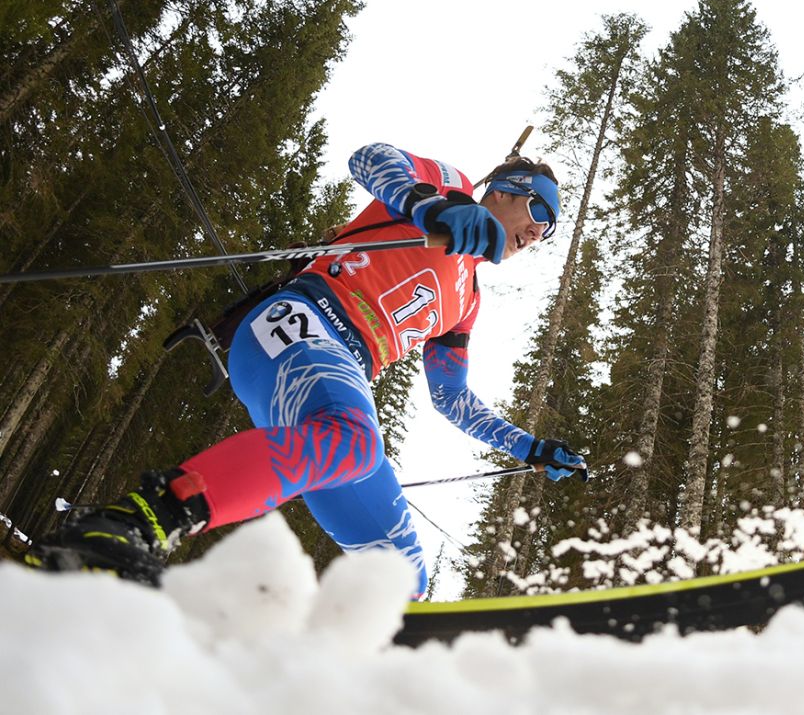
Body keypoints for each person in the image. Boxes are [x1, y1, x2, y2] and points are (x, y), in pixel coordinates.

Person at [27, 142, 587, 597]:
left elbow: (451, 398)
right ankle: (132, 525)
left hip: (342, 373)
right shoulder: (450, 185)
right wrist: (429, 206)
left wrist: (531, 448)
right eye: (540, 211)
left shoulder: (466, 300)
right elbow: (370, 158)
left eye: (550, 231)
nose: (540, 232)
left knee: (401, 578)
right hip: (300, 318)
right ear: (505, 190)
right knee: (355, 438)